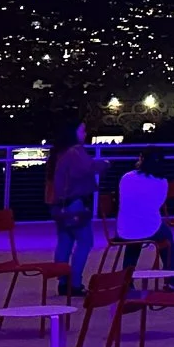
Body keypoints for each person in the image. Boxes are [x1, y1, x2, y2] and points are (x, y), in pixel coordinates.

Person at [44, 122, 106, 295]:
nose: (85, 133)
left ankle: (63, 282)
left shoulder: (59, 153)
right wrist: (105, 164)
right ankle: (75, 283)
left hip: (59, 204)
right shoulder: (75, 152)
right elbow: (88, 168)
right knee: (85, 241)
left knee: (65, 241)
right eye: (82, 130)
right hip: (74, 203)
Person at [114, 153, 174, 271]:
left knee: (133, 240)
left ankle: (126, 280)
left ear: (141, 160)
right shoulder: (162, 181)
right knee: (167, 237)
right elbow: (159, 204)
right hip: (149, 227)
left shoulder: (126, 177)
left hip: (125, 227)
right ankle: (171, 279)